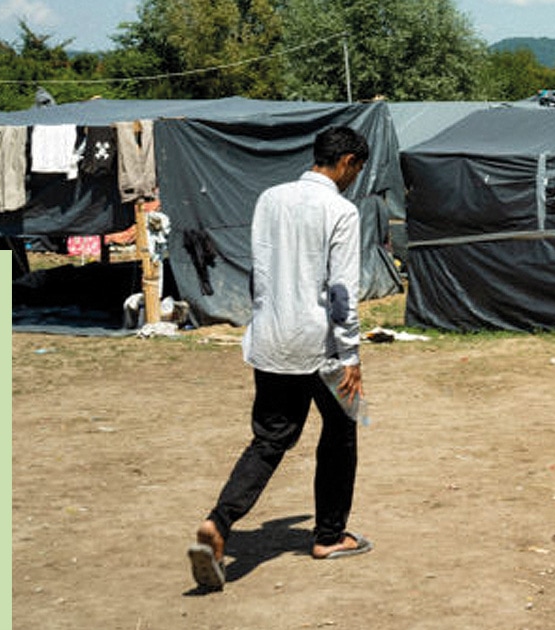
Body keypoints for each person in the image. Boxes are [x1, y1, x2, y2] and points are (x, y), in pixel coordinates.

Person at [189, 127, 372, 591]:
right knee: (340, 432)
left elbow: (260, 272)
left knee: (269, 439)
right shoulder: (341, 210)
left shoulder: (269, 199)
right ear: (348, 162)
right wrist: (350, 353)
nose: (354, 179)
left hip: (270, 337)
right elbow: (341, 291)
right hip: (319, 344)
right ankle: (329, 536)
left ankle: (219, 521)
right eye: (357, 170)